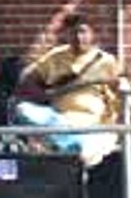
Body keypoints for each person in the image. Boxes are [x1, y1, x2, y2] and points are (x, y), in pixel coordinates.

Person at [12, 12, 123, 167]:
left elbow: (121, 91)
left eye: (83, 32)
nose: (78, 37)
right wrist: (43, 95)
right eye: (73, 32)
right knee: (22, 109)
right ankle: (70, 143)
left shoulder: (106, 61)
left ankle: (69, 145)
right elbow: (27, 79)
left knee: (88, 152)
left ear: (92, 34)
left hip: (91, 123)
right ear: (66, 34)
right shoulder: (56, 56)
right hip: (57, 120)